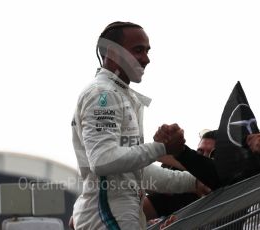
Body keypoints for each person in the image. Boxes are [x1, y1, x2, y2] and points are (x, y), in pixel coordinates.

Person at [71, 21, 207, 230]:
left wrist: (193, 182)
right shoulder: (103, 94)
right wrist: (162, 148)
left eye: (147, 50)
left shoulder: (119, 94)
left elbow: (138, 172)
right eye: (138, 50)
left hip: (119, 213)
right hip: (107, 216)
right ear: (113, 53)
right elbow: (102, 160)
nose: (146, 58)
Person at [144, 130, 216, 221]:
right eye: (200, 152)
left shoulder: (232, 184)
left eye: (212, 154)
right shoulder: (181, 189)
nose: (205, 157)